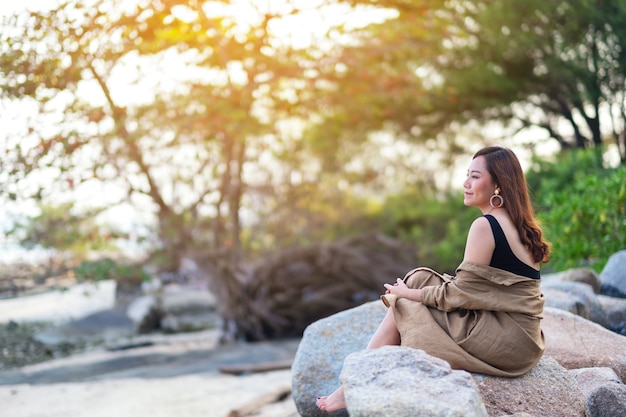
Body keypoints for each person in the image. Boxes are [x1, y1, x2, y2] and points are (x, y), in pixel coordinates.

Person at [316, 145, 551, 412]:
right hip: (525, 340)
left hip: (507, 340)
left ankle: (351, 386)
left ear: (498, 184)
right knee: (418, 278)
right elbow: (478, 289)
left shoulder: (486, 226)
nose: (466, 183)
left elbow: (459, 295)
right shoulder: (519, 224)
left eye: (475, 177)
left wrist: (407, 295)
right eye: (467, 175)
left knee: (403, 305)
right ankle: (352, 385)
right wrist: (413, 288)